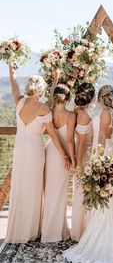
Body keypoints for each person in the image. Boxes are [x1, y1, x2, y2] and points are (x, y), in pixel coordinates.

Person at [63, 85, 113, 263]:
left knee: (105, 194)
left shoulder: (105, 113)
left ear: (100, 98)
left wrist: (98, 160)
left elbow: (102, 138)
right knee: (106, 195)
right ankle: (106, 234)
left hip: (103, 151)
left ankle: (103, 238)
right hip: (108, 150)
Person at [5, 66, 70, 243]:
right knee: (34, 190)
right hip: (35, 153)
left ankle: (18, 231)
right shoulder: (44, 109)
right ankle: (31, 231)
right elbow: (54, 137)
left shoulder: (19, 101)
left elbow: (13, 82)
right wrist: (64, 154)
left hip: (19, 151)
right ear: (41, 90)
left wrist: (11, 67)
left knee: (20, 187)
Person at [41, 83, 76, 242]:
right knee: (60, 192)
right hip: (63, 156)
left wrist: (54, 80)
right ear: (68, 99)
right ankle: (56, 232)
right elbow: (69, 141)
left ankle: (50, 230)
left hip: (50, 152)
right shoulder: (70, 116)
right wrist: (72, 159)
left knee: (49, 192)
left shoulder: (48, 111)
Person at [71, 82, 95, 241]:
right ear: (91, 99)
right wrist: (79, 167)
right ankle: (82, 231)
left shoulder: (75, 111)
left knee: (81, 192)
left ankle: (79, 229)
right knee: (83, 192)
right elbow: (80, 143)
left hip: (82, 156)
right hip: (83, 157)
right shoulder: (85, 116)